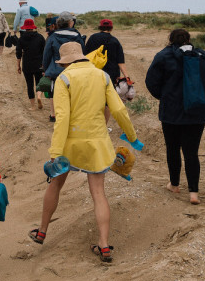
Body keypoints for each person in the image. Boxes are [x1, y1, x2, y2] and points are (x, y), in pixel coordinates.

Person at [30, 42, 138, 264]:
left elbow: (63, 119)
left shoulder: (64, 79)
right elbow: (118, 109)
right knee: (98, 193)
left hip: (70, 144)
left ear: (66, 62)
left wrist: (55, 151)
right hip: (96, 144)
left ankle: (41, 231)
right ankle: (104, 245)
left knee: (55, 184)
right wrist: (132, 137)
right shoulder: (103, 77)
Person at [145, 28, 205, 205]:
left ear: (170, 40)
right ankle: (193, 193)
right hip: (197, 111)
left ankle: (174, 184)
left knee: (172, 148)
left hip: (170, 111)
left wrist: (164, 97)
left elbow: (151, 82)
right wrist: (204, 99)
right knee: (191, 152)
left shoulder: (163, 56)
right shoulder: (203, 56)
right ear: (189, 40)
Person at [14, 19, 48, 112]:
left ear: (25, 28)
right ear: (33, 27)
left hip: (27, 64)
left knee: (29, 85)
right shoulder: (40, 37)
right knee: (38, 83)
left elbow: (18, 53)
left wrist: (18, 66)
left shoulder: (21, 38)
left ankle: (33, 106)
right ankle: (39, 97)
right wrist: (44, 65)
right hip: (39, 64)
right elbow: (44, 52)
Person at [84, 19, 129, 86]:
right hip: (111, 75)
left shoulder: (92, 38)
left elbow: (85, 55)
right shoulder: (115, 41)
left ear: (100, 27)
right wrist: (127, 77)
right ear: (111, 28)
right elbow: (120, 62)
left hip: (94, 72)